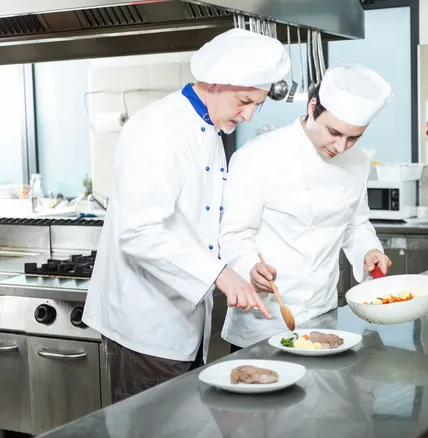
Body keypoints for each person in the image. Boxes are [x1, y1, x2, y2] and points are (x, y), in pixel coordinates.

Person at [82, 28, 290, 403]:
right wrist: (220, 275)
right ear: (212, 82)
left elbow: (201, 225)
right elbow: (138, 232)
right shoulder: (159, 129)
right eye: (244, 101)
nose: (247, 115)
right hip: (143, 328)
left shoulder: (211, 127)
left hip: (182, 322)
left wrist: (240, 269)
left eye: (257, 105)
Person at [219, 63, 393, 351]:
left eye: (353, 137)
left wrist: (369, 251)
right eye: (333, 132)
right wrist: (249, 266)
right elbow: (234, 235)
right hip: (263, 324)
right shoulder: (258, 156)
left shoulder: (358, 161)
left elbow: (356, 224)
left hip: (322, 319)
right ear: (313, 107)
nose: (340, 146)